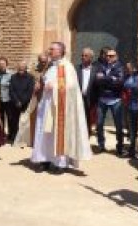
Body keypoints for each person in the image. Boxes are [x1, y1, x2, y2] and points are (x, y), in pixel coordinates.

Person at [31, 42, 92, 174]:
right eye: (50, 48)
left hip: (60, 108)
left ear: (60, 51)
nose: (50, 51)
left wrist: (54, 86)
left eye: (52, 49)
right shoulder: (50, 66)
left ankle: (60, 163)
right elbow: (43, 79)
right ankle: (44, 159)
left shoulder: (67, 67)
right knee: (44, 132)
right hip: (47, 105)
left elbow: (71, 87)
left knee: (58, 133)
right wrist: (41, 85)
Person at [94, 47, 125, 155]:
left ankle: (120, 147)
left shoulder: (120, 67)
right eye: (107, 55)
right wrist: (111, 78)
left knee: (118, 125)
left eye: (111, 56)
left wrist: (105, 78)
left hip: (115, 99)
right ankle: (101, 145)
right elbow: (97, 81)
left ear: (116, 57)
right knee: (99, 123)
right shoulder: (101, 66)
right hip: (102, 99)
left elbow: (120, 82)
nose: (108, 57)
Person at [9, 61, 35, 143]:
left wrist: (22, 101)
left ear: (25, 67)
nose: (21, 68)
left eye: (22, 67)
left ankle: (23, 139)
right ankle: (14, 138)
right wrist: (17, 101)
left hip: (25, 104)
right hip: (14, 103)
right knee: (14, 121)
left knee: (24, 122)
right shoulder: (13, 77)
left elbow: (30, 91)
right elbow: (11, 90)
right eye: (19, 67)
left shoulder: (30, 77)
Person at [76, 48, 98, 135]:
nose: (83, 57)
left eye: (85, 55)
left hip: (91, 98)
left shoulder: (96, 70)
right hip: (79, 97)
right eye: (82, 55)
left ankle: (87, 135)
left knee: (89, 117)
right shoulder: (76, 68)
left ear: (91, 58)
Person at [0, 57, 13, 140]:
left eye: (3, 64)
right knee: (0, 117)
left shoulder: (11, 74)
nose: (2, 65)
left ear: (6, 64)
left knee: (9, 117)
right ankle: (1, 134)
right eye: (0, 64)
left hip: (8, 99)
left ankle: (10, 135)